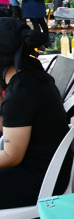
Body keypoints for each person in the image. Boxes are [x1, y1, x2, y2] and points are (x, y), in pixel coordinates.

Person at [0, 18, 70, 208]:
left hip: (40, 180)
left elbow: (11, 156)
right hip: (50, 170)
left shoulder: (20, 92)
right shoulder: (32, 75)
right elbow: (10, 128)